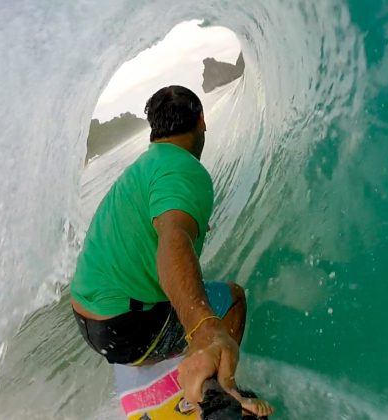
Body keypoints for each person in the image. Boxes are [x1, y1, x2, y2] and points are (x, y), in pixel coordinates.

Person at [70, 85, 273, 417]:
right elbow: (174, 240)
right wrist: (204, 326)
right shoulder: (184, 169)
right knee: (232, 299)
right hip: (127, 329)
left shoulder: (143, 168)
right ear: (202, 121)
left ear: (155, 131)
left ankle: (156, 361)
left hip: (88, 319)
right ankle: (218, 395)